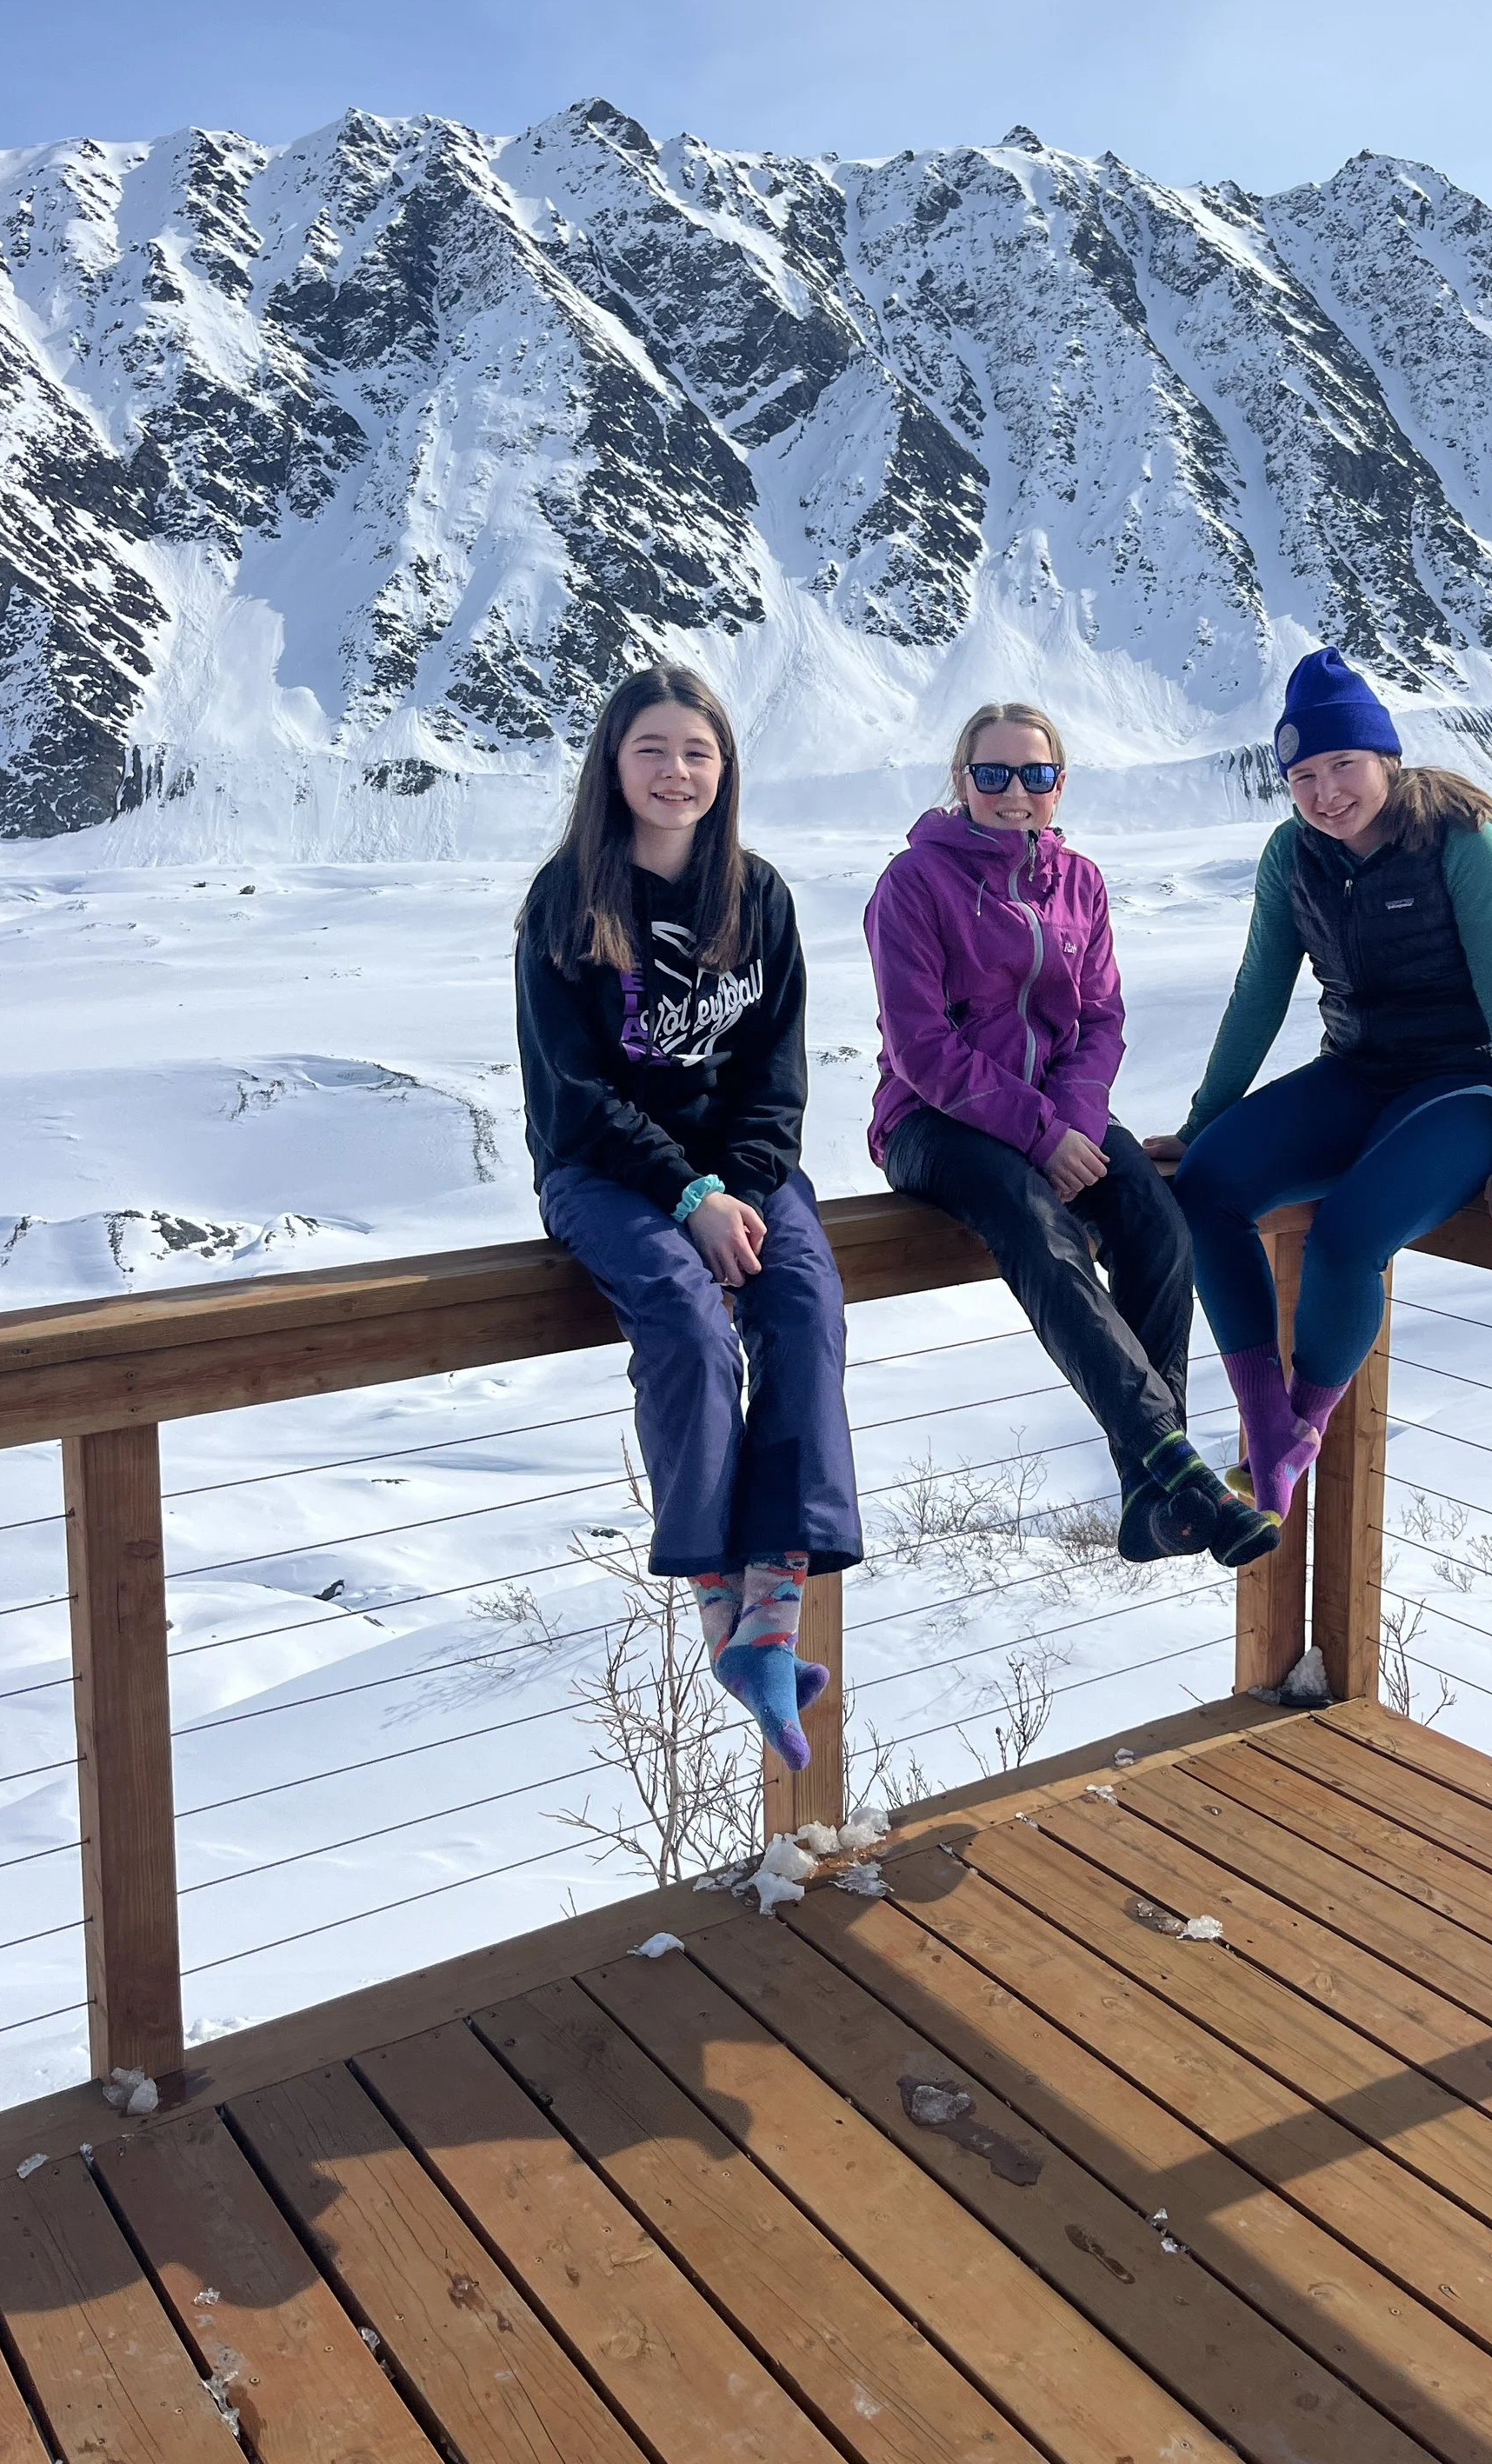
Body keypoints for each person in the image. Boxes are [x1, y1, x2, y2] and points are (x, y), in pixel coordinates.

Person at [515, 663, 857, 1773]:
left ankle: (776, 1620)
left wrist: (742, 1192)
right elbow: (575, 1090)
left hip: (742, 1174)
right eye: (653, 749)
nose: (676, 772)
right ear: (613, 765)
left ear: (726, 770)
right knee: (680, 1314)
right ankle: (723, 1609)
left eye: (697, 752)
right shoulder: (566, 900)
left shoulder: (757, 896)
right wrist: (690, 1196)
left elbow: (775, 1075)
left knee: (803, 1306)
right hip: (603, 1172)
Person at [864, 703, 1278, 1568]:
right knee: (1033, 1225)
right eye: (993, 775)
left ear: (1060, 785)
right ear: (961, 781)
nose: (1015, 793)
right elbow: (920, 1046)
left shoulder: (1078, 881)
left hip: (1058, 1118)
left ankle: (1145, 1496)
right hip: (932, 1122)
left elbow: (1098, 1021)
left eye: (1035, 775)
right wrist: (1040, 1135)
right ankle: (1179, 1470)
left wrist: (1074, 1126)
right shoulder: (913, 883)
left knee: (1157, 1225)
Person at [1152, 648, 1492, 1523]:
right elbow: (1259, 989)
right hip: (1355, 1073)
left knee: (1343, 1238)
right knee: (1206, 1187)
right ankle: (1266, 1421)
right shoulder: (1292, 854)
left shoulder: (1464, 841)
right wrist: (1203, 1123)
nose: (1326, 793)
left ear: (1385, 759)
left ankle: (1305, 1423)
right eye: (1302, 776)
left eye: (1343, 765)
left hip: (1459, 1091)